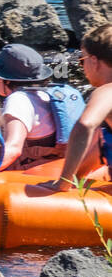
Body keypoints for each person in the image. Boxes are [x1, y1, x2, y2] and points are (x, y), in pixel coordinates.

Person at [0, 44, 85, 170]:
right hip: (57, 168)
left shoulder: (18, 100)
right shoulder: (47, 95)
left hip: (29, 177)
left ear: (7, 80)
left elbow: (14, 149)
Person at [42, 24, 112, 191]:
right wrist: (76, 178)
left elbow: (85, 125)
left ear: (94, 61)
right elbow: (101, 147)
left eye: (82, 61)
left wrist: (63, 183)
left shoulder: (107, 91)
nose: (83, 68)